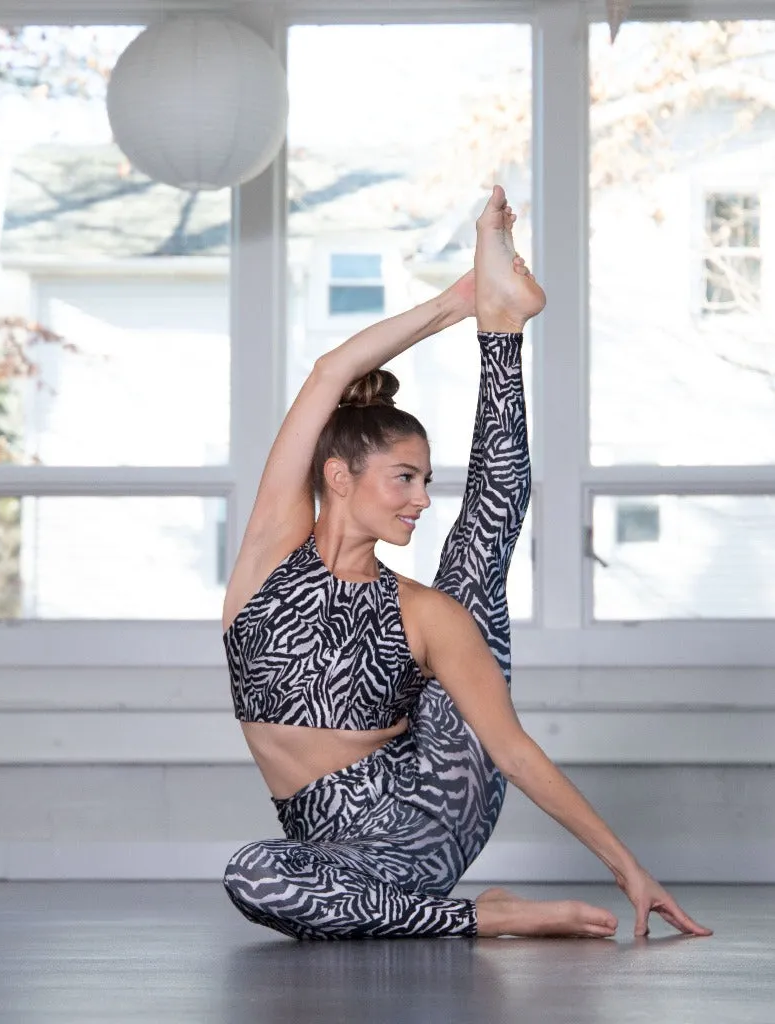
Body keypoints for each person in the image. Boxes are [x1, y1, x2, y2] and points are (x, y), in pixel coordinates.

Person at [221, 185, 712, 941]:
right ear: (339, 477)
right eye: (404, 479)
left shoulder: (422, 612)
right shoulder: (266, 563)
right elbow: (326, 375)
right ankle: (479, 917)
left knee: (476, 556)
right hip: (332, 855)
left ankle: (503, 331)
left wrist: (627, 867)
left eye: (425, 481)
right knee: (254, 874)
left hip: (430, 817)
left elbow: (510, 750)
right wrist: (453, 298)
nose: (419, 500)